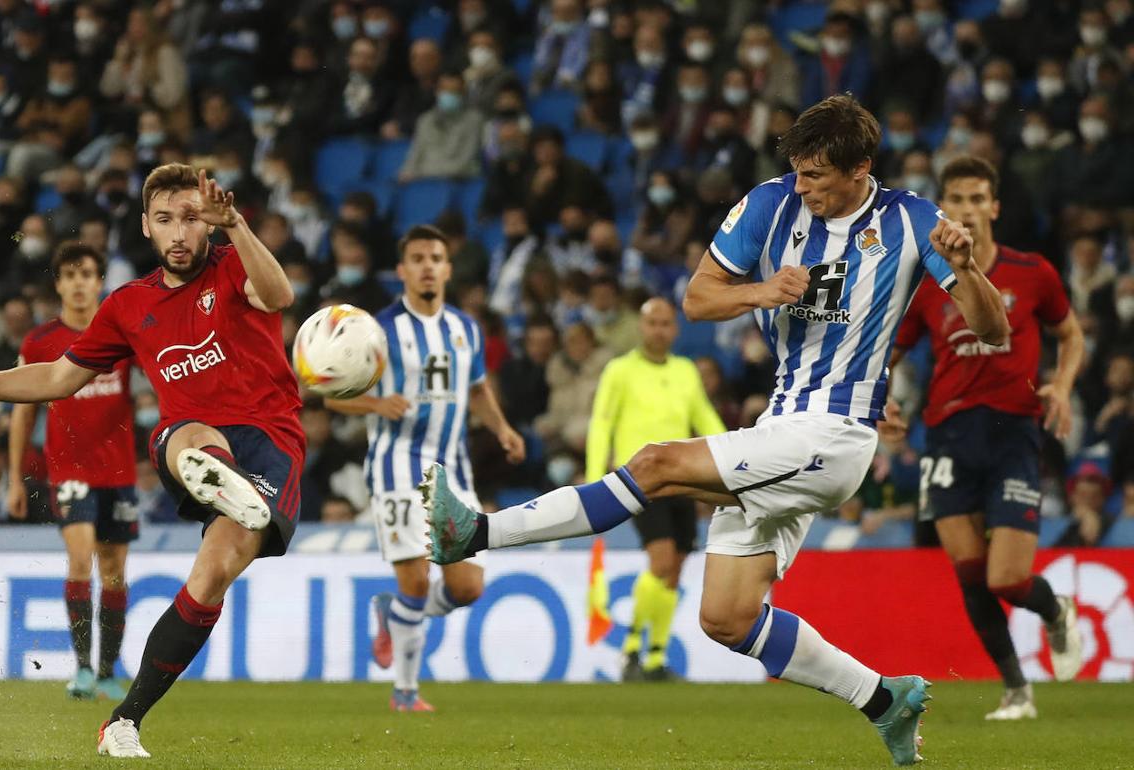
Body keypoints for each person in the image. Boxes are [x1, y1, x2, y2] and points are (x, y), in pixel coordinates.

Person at [421, 95, 1010, 766]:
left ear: (860, 169)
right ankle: (883, 699)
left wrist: (967, 269)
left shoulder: (911, 219)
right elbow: (698, 298)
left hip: (835, 433)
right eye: (798, 171)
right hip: (782, 425)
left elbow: (992, 330)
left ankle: (475, 534)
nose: (802, 187)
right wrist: (763, 291)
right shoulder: (770, 204)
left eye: (816, 175)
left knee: (656, 464)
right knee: (727, 618)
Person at [0, 163, 302, 759]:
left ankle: (123, 721)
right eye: (166, 219)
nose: (179, 232)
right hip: (190, 439)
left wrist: (238, 226)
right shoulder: (128, 305)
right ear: (146, 226)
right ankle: (216, 475)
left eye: (192, 218)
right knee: (191, 433)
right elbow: (56, 377)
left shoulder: (234, 266)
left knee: (211, 578)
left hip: (271, 444)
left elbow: (278, 296)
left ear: (208, 223)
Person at [887, 155, 1084, 720]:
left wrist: (1062, 385)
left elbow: (1070, 335)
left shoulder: (1033, 272)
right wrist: (884, 397)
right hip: (947, 434)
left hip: (1013, 432)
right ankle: (1016, 689)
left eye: (977, 198)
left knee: (1007, 577)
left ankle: (1055, 610)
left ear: (994, 207)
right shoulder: (928, 282)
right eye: (956, 199)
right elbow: (890, 351)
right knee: (971, 573)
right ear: (941, 208)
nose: (967, 209)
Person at [325, 225, 525, 712]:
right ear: (401, 270)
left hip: (452, 471)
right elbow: (332, 396)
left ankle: (392, 612)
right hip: (396, 467)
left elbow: (476, 389)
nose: (428, 266)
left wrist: (502, 428)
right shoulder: (378, 331)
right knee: (415, 579)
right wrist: (376, 404)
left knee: (467, 587)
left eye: (435, 257)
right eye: (417, 259)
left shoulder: (466, 328)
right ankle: (405, 692)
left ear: (448, 268)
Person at [7, 241, 139, 701]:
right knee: (81, 558)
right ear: (58, 285)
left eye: (86, 274)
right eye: (69, 275)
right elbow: (23, 412)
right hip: (69, 470)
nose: (79, 283)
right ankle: (82, 669)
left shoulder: (123, 333)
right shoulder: (40, 342)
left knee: (115, 570)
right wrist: (14, 478)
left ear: (100, 281)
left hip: (119, 471)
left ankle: (106, 672)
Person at [586, 297, 725, 682]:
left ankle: (655, 658)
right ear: (641, 327)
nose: (659, 330)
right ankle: (631, 647)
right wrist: (595, 477)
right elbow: (602, 422)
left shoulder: (685, 371)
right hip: (640, 480)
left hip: (682, 479)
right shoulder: (620, 370)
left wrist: (733, 460)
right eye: (652, 323)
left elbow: (703, 417)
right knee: (661, 562)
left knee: (675, 568)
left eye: (666, 323)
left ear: (675, 329)